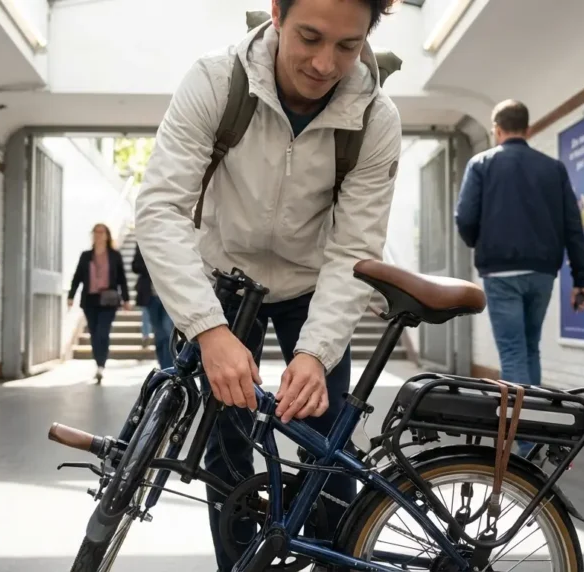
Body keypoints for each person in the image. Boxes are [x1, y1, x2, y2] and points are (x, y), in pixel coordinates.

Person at [133, 0, 402, 569]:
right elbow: (160, 210)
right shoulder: (216, 81)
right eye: (309, 36)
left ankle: (333, 561)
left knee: (326, 446)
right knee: (224, 448)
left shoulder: (375, 119)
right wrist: (209, 330)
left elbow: (354, 248)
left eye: (347, 47)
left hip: (313, 286)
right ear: (276, 15)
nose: (325, 64)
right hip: (224, 285)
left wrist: (316, 351)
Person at [454, 99, 584, 456]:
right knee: (529, 349)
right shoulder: (553, 168)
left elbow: (465, 218)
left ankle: (524, 442)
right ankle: (532, 430)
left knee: (513, 352)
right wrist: (581, 278)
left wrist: (481, 243)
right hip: (543, 272)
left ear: (496, 130)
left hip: (501, 271)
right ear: (528, 131)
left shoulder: (481, 164)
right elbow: (573, 226)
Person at [67, 223, 132, 383]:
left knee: (103, 332)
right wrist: (71, 296)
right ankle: (98, 364)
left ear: (107, 235)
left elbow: (122, 279)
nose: (98, 235)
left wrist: (126, 299)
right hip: (90, 300)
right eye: (96, 232)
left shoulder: (114, 255)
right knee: (94, 334)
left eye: (101, 232)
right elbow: (77, 277)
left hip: (108, 300)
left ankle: (101, 365)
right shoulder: (86, 256)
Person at [131, 244, 175, 370]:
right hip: (151, 296)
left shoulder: (173, 240)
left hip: (170, 295)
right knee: (159, 333)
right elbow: (135, 266)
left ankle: (169, 367)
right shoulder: (143, 241)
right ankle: (164, 367)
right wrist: (152, 263)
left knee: (167, 330)